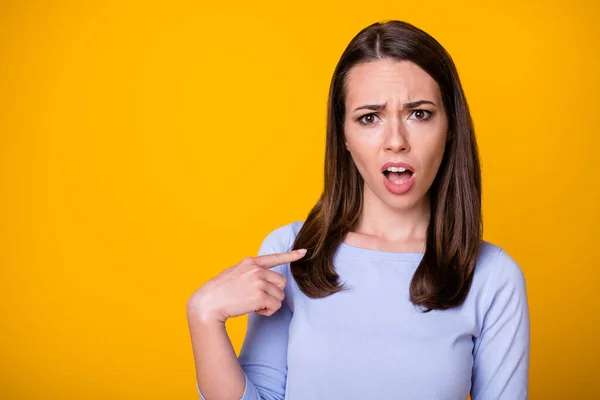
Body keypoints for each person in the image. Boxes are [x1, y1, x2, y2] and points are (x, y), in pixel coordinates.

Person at [186, 19, 530, 400]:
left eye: (419, 113)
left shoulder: (493, 276)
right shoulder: (290, 252)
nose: (396, 141)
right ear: (344, 136)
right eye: (370, 118)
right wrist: (203, 316)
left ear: (450, 126)